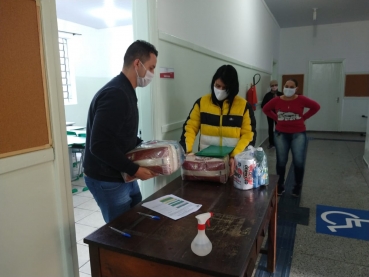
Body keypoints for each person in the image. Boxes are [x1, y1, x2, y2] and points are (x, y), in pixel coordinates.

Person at [83, 40, 158, 223]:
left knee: (137, 221)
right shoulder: (116, 94)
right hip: (107, 179)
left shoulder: (126, 90)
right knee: (121, 232)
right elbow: (99, 145)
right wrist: (135, 169)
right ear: (137, 64)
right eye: (151, 67)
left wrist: (150, 149)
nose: (152, 74)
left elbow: (123, 135)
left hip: (123, 175)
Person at [179, 65, 256, 175]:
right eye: (217, 85)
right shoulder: (202, 103)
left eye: (225, 88)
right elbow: (190, 127)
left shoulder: (243, 106)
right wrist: (187, 151)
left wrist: (235, 156)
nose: (220, 90)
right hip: (206, 164)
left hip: (233, 164)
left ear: (232, 88)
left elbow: (248, 135)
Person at [262, 79, 320, 197]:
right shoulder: (277, 100)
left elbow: (316, 107)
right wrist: (276, 118)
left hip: (298, 134)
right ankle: (280, 186)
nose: (288, 88)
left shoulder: (301, 99)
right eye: (286, 86)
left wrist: (304, 117)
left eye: (291, 86)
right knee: (281, 161)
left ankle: (297, 186)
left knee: (298, 161)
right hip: (281, 134)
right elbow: (265, 109)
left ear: (296, 89)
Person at [261, 80, 283, 149]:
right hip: (270, 114)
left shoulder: (281, 94)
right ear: (270, 86)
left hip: (279, 114)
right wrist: (269, 110)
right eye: (272, 86)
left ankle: (279, 142)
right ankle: (271, 143)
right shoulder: (268, 95)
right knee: (270, 128)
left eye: (275, 85)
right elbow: (263, 105)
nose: (274, 87)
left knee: (279, 128)